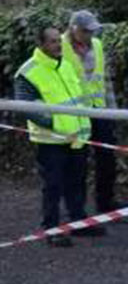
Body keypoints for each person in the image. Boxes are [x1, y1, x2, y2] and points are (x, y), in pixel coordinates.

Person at [12, 24, 94, 246]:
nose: (58, 45)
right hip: (51, 141)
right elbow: (27, 107)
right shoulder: (28, 72)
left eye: (59, 40)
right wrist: (58, 124)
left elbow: (77, 99)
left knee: (76, 183)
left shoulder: (65, 65)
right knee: (53, 186)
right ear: (41, 44)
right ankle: (51, 229)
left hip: (76, 138)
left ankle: (77, 222)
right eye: (52, 41)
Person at [62, 9, 118, 213]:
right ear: (73, 29)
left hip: (99, 111)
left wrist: (113, 111)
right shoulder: (59, 47)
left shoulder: (97, 45)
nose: (90, 35)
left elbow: (104, 79)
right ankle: (77, 211)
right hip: (75, 115)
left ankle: (106, 203)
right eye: (86, 31)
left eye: (93, 31)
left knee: (107, 159)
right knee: (78, 165)